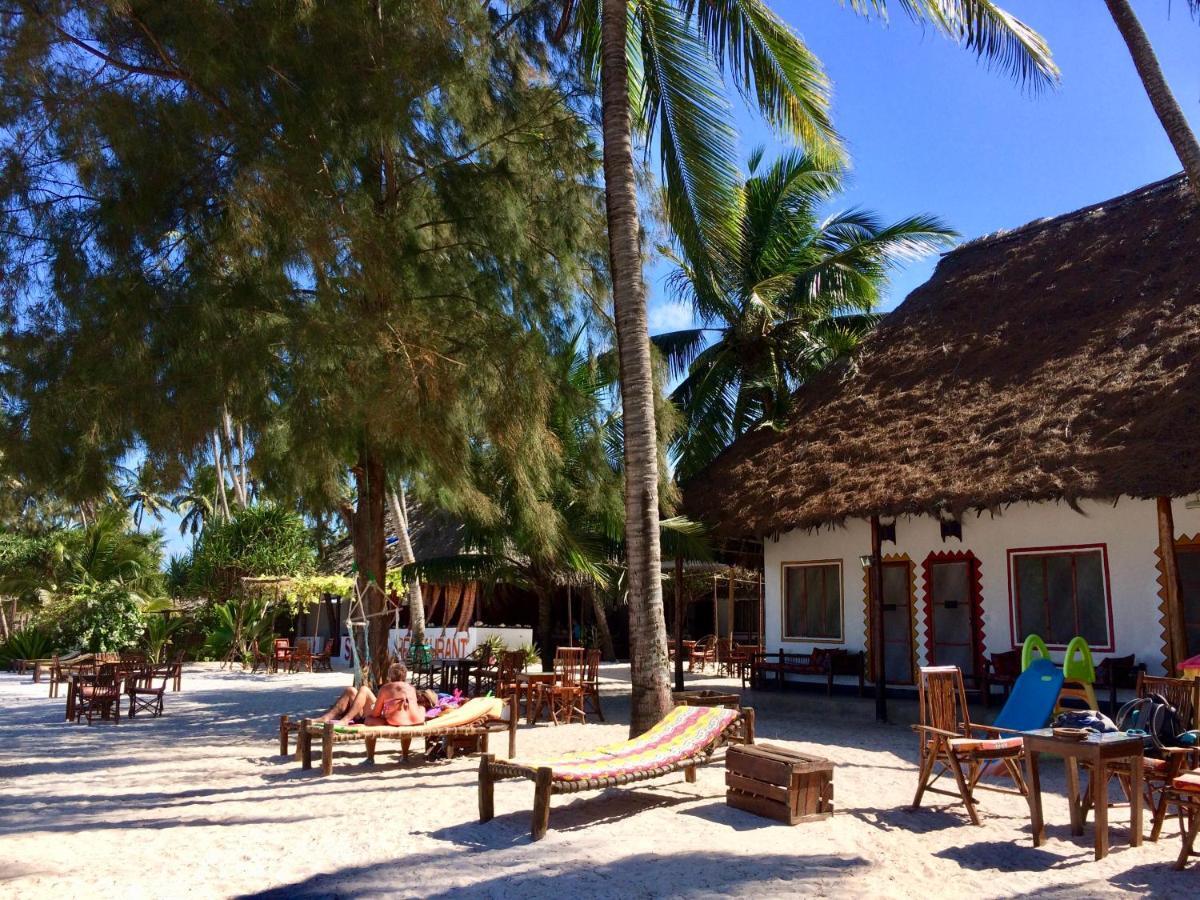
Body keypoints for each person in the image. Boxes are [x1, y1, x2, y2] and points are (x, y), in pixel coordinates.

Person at [316, 663, 428, 727]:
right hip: (392, 716)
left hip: (387, 718)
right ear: (404, 677)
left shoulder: (387, 688)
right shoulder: (411, 688)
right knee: (351, 690)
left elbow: (375, 714)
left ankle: (344, 720)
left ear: (390, 677)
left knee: (364, 689)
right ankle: (326, 717)